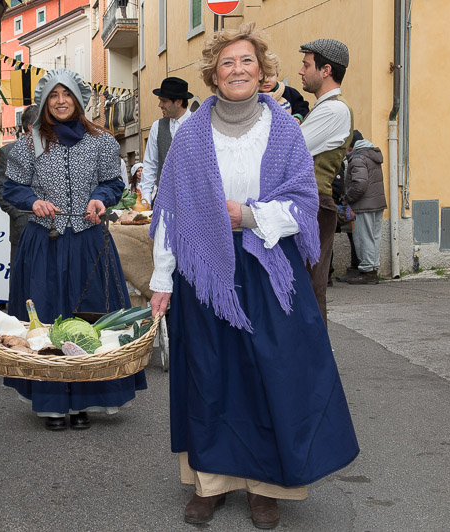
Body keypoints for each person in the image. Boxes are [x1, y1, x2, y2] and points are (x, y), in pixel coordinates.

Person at [148, 23, 359, 529]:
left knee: (272, 373)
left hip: (267, 265)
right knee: (208, 374)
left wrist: (249, 216)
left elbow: (304, 205)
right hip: (204, 270)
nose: (238, 70)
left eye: (247, 62)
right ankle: (210, 481)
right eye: (227, 63)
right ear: (213, 75)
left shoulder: (284, 129)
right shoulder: (190, 136)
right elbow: (171, 212)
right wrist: (161, 280)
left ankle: (267, 485)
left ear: (262, 71)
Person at [1, 68, 147, 431]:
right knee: (46, 322)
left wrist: (100, 199)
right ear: (45, 101)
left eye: (67, 95)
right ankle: (50, 404)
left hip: (88, 242)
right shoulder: (28, 144)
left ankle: (85, 399)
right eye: (54, 95)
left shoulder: (101, 142)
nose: (61, 101)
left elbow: (113, 183)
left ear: (79, 100)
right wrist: (33, 201)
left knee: (89, 321)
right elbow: (12, 189)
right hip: (44, 244)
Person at [298, 38, 354, 325]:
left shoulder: (334, 110)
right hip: (310, 204)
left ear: (326, 70)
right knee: (302, 286)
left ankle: (314, 360)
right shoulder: (323, 108)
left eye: (306, 65)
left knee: (309, 287)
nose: (301, 71)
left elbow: (291, 150)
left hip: (315, 205)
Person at [0, 104, 39, 291]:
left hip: (51, 228)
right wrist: (19, 214)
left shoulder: (55, 149)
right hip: (23, 229)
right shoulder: (9, 152)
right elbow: (0, 190)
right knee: (22, 282)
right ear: (31, 127)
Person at [138, 77, 193, 203]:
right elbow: (150, 165)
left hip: (194, 202)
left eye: (164, 101)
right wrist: (146, 198)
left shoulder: (200, 124)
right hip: (164, 201)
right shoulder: (157, 127)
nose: (160, 105)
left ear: (178, 102)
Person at [343, 130, 387, 285]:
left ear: (351, 145)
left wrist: (347, 197)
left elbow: (359, 184)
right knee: (374, 237)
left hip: (363, 205)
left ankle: (367, 271)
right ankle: (373, 268)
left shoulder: (357, 158)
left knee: (364, 238)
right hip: (376, 202)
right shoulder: (371, 154)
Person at [259, 52, 309, 123]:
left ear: (277, 74)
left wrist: (298, 117)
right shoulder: (250, 96)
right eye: (262, 76)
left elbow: (302, 108)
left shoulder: (289, 93)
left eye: (271, 75)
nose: (266, 80)